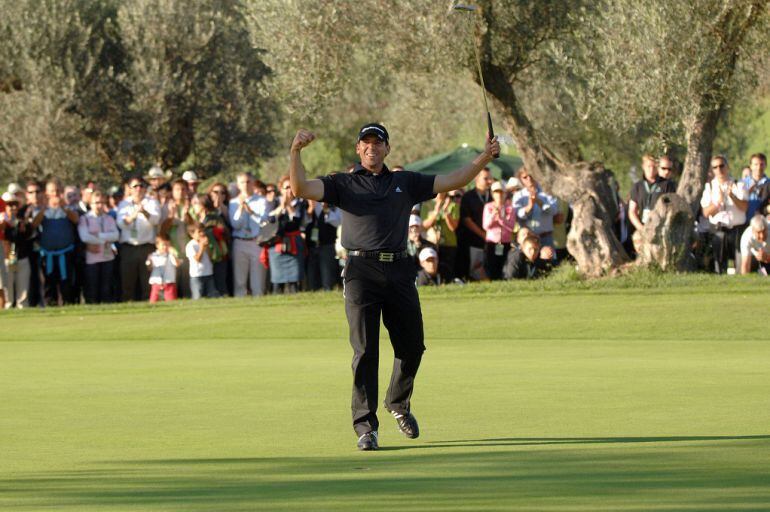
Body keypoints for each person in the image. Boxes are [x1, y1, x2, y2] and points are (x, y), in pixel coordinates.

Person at [288, 122, 500, 451]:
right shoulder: (343, 183)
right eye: (366, 142)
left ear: (388, 149)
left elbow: (454, 179)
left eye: (378, 142)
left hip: (400, 268)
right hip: (360, 271)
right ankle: (365, 427)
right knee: (365, 351)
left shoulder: (405, 181)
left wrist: (485, 157)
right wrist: (296, 152)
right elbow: (301, 189)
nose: (372, 147)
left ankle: (397, 403)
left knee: (413, 346)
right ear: (359, 149)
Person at [30, 179, 80, 305]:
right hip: (48, 255)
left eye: (58, 191)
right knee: (49, 286)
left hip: (66, 253)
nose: (56, 194)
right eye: (52, 191)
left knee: (67, 284)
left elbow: (76, 220)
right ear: (47, 193)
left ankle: (68, 307)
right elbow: (34, 224)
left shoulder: (68, 208)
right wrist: (45, 207)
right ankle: (51, 309)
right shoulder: (40, 210)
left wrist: (63, 207)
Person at [700, 155, 748, 274]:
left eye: (722, 165)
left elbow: (744, 207)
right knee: (719, 266)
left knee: (740, 264)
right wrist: (718, 202)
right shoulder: (710, 187)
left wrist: (733, 197)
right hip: (719, 229)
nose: (719, 169)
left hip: (737, 230)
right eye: (715, 167)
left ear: (727, 167)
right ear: (712, 170)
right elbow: (706, 212)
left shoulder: (739, 184)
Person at [117, 177, 161, 301]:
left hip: (146, 247)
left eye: (141, 186)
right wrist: (133, 215)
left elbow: (155, 220)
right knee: (127, 281)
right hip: (129, 247)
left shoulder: (152, 202)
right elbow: (121, 223)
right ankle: (127, 306)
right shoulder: (123, 204)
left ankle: (148, 306)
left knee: (147, 281)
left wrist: (144, 212)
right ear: (129, 189)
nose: (139, 189)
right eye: (135, 186)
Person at [229, 172, 268, 297]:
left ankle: (259, 304)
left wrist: (251, 212)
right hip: (240, 242)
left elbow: (264, 222)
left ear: (253, 183)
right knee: (239, 280)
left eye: (248, 182)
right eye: (242, 182)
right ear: (238, 185)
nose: (245, 185)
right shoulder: (233, 203)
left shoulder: (261, 201)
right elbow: (235, 224)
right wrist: (241, 209)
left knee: (258, 281)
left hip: (256, 242)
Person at [265, 176, 306, 294]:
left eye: (291, 187)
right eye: (286, 187)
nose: (289, 190)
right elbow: (269, 219)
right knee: (277, 280)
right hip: (277, 244)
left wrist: (288, 206)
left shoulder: (300, 202)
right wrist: (281, 207)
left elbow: (297, 220)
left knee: (294, 280)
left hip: (294, 242)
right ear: (281, 189)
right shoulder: (274, 202)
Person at [77, 191, 119, 304]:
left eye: (101, 202)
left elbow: (115, 235)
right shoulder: (85, 219)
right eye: (96, 203)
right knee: (92, 289)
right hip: (92, 260)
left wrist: (99, 236)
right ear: (90, 204)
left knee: (106, 288)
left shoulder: (109, 218)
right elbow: (84, 237)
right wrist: (105, 239)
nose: (99, 205)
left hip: (107, 258)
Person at [457, 168, 492, 281]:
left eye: (490, 178)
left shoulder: (493, 196)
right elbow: (467, 220)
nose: (489, 181)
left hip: (491, 241)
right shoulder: (468, 197)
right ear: (476, 178)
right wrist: (483, 234)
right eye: (485, 178)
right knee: (474, 270)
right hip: (473, 240)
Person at [628, 154, 676, 237]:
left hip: (660, 230)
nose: (651, 169)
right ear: (643, 166)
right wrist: (640, 228)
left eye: (654, 167)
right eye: (648, 166)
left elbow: (671, 208)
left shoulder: (667, 185)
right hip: (642, 228)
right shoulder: (637, 187)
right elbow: (632, 211)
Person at [512, 168, 558, 248]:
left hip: (545, 237)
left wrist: (540, 202)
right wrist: (529, 206)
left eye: (531, 175)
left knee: (548, 260)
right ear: (521, 180)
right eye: (525, 177)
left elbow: (554, 211)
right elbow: (517, 215)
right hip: (526, 239)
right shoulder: (518, 195)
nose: (529, 179)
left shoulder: (547, 192)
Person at [421, 190, 461, 280]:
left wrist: (446, 212)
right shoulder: (427, 204)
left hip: (449, 243)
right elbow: (424, 226)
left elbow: (453, 227)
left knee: (448, 269)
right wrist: (436, 212)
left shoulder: (453, 205)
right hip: (432, 243)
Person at [304, 198, 342, 291]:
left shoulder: (333, 205)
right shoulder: (305, 204)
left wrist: (325, 209)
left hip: (327, 245)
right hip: (311, 246)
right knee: (312, 276)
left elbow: (337, 222)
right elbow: (302, 224)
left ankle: (327, 290)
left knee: (327, 276)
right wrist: (310, 208)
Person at [2, 192, 31, 308]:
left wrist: (23, 227)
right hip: (7, 258)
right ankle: (8, 307)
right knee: (7, 289)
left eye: (15, 204)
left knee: (23, 290)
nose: (13, 207)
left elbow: (28, 235)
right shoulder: (2, 222)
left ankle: (22, 308)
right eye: (10, 204)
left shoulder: (22, 221)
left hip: (22, 257)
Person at [483, 180, 517, 280]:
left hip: (505, 241)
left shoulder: (510, 208)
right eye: (497, 192)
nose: (499, 195)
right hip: (492, 242)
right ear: (493, 194)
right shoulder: (488, 207)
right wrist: (494, 215)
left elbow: (511, 226)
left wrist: (501, 219)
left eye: (501, 192)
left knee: (504, 265)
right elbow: (486, 226)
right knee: (491, 266)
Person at [186, 224, 218, 299]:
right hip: (197, 275)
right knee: (198, 296)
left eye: (203, 231)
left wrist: (207, 247)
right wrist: (201, 247)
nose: (202, 233)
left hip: (208, 273)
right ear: (192, 234)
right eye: (199, 232)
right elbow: (197, 259)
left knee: (212, 295)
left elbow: (210, 257)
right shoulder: (191, 245)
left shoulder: (205, 243)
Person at [147, 233, 179, 303]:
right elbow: (149, 268)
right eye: (163, 245)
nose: (165, 247)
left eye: (167, 244)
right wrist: (149, 262)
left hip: (169, 283)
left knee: (171, 302)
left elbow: (177, 264)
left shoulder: (171, 255)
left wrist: (174, 254)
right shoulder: (153, 255)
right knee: (153, 302)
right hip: (156, 283)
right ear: (157, 245)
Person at [742, 153, 768, 220]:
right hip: (744, 222)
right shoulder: (742, 183)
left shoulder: (769, 183)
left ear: (766, 166)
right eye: (756, 164)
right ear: (751, 166)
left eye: (761, 164)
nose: (759, 167)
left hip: (764, 224)